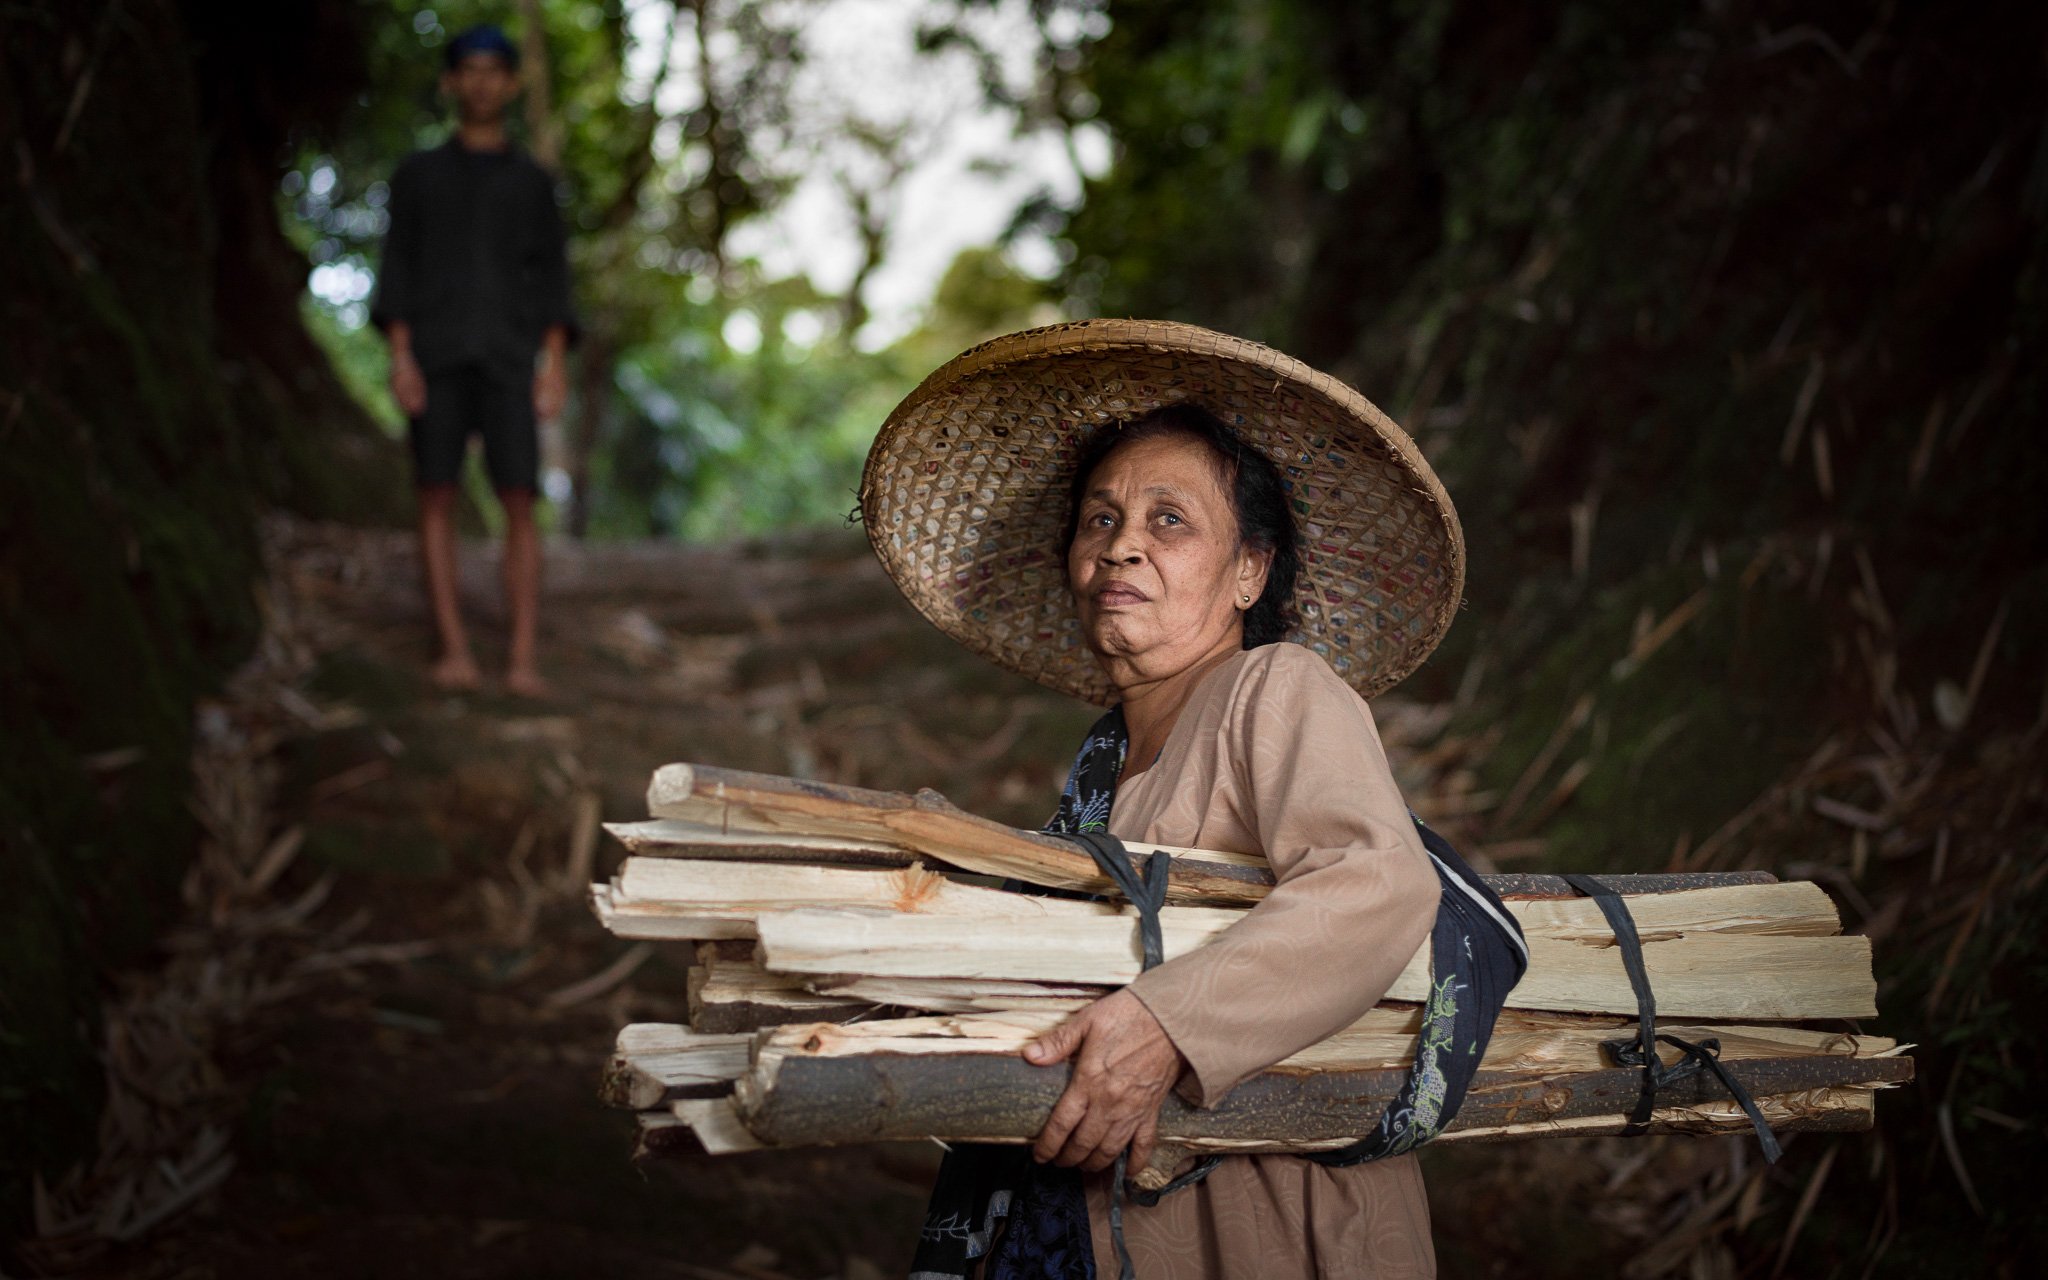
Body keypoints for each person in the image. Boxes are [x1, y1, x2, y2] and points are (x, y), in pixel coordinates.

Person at [860, 320, 1481, 1278]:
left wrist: (1165, 1027)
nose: (1121, 547)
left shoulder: (1275, 688)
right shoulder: (1103, 766)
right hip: (1090, 1225)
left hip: (1263, 1221)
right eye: (1100, 520)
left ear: (1249, 572)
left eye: (1169, 521)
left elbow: (1377, 884)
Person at [371, 22, 577, 697]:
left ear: (512, 84)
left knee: (520, 500)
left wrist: (553, 365)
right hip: (434, 355)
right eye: (471, 69)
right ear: (451, 82)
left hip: (511, 359)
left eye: (496, 70)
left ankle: (521, 660)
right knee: (436, 494)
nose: (483, 81)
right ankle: (452, 650)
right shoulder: (417, 175)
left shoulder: (533, 182)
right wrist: (401, 359)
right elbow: (396, 268)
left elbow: (552, 278)